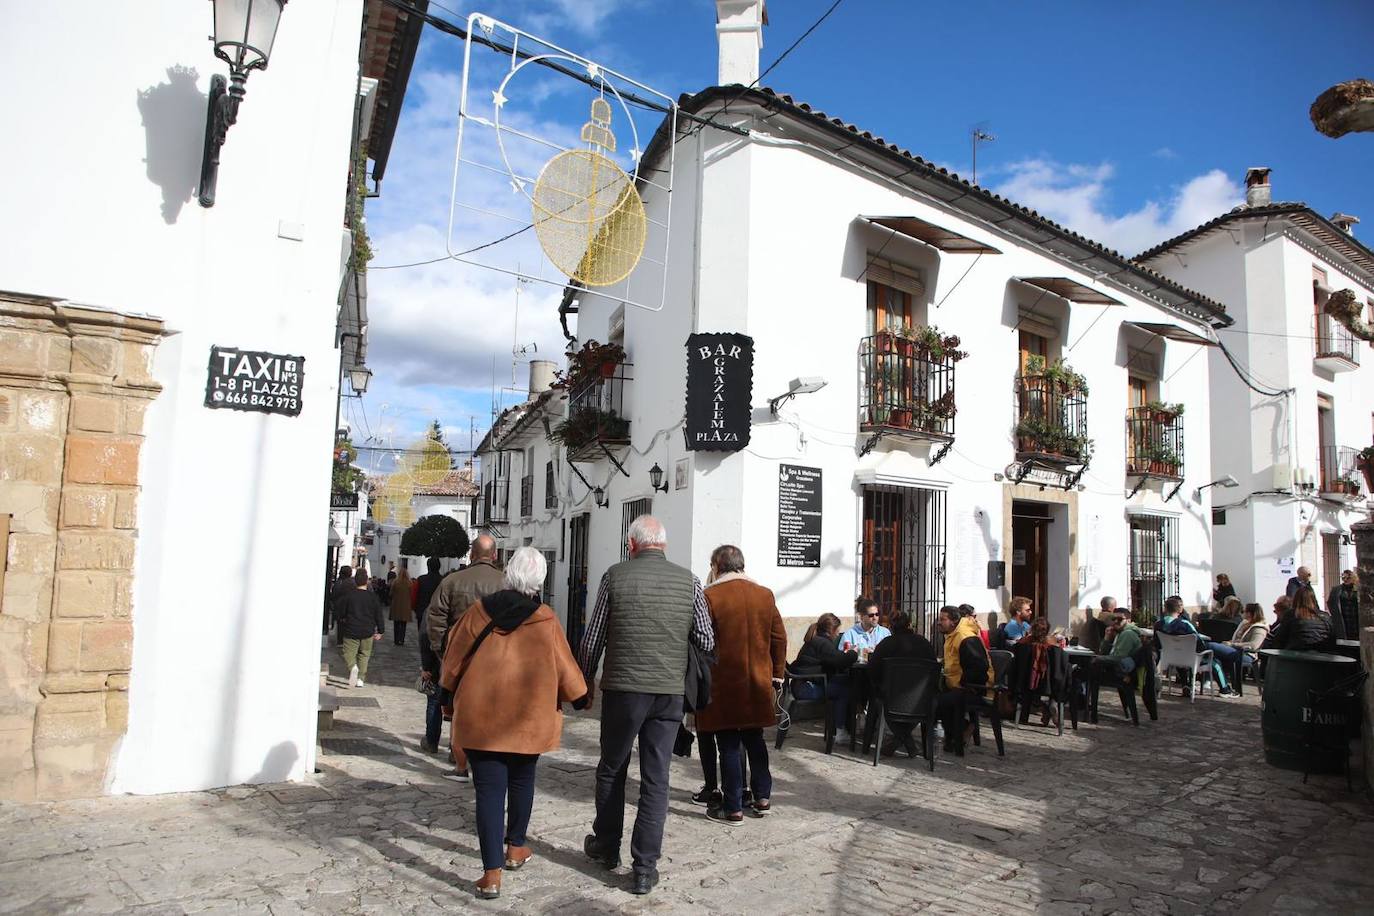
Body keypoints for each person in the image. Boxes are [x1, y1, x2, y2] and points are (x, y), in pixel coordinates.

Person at [577, 516, 715, 896]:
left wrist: (585, 680)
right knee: (657, 777)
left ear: (631, 545)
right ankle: (644, 867)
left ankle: (606, 846)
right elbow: (705, 637)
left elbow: (593, 638)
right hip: (668, 692)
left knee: (612, 768)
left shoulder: (614, 577)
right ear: (664, 546)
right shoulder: (690, 582)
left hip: (623, 689)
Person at [439, 547, 586, 900]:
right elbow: (565, 664)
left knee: (488, 794)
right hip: (528, 718)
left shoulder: (478, 612)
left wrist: (446, 695)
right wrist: (580, 695)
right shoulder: (546, 618)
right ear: (540, 580)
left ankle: (491, 875)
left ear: (509, 573)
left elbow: (454, 656)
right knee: (522, 782)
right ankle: (516, 847)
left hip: (481, 718)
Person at [694, 545, 786, 825]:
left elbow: (702, 638)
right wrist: (777, 674)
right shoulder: (764, 595)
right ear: (741, 566)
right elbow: (779, 637)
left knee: (728, 743)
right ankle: (762, 796)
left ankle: (733, 806)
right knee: (755, 739)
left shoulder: (710, 596)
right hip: (757, 680)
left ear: (716, 566)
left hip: (723, 681)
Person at [427, 536, 505, 779]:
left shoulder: (452, 581)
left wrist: (443, 652)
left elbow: (435, 618)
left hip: (459, 658)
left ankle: (459, 759)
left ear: (471, 555)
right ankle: (486, 757)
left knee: (459, 709)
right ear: (494, 555)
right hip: (496, 659)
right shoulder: (506, 583)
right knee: (492, 710)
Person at [865, 609, 936, 756]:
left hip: (891, 698)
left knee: (877, 699)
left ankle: (899, 739)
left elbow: (872, 671)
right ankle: (904, 740)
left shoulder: (886, 644)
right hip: (921, 699)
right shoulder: (924, 644)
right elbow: (934, 670)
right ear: (910, 624)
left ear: (890, 626)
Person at [789, 612, 859, 744]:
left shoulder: (816, 641)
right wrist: (853, 653)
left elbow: (833, 659)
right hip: (807, 689)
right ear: (831, 630)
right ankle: (840, 731)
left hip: (800, 685)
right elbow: (841, 661)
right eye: (837, 630)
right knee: (845, 690)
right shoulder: (823, 643)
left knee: (844, 683)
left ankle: (840, 728)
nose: (838, 634)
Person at [934, 606, 988, 754]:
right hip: (954, 685)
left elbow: (978, 667)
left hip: (972, 688)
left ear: (954, 621)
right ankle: (956, 733)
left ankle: (957, 735)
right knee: (932, 698)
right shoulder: (952, 635)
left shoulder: (966, 638)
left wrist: (963, 684)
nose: (939, 622)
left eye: (943, 619)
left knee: (940, 702)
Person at [1160, 597, 1240, 697]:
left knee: (1181, 653)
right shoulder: (1185, 624)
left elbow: (1157, 643)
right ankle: (1225, 690)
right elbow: (1199, 644)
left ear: (1165, 609)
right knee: (1215, 662)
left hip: (1171, 658)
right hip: (1192, 659)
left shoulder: (1158, 625)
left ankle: (1186, 685)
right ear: (1180, 609)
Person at [414, 557, 447, 754]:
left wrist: (426, 667)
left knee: (434, 700)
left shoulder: (432, 606)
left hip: (437, 661)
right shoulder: (460, 608)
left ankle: (432, 741)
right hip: (456, 663)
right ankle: (456, 749)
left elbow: (425, 636)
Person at [336, 568, 384, 688]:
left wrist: (342, 619)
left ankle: (353, 666)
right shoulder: (373, 597)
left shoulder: (349, 596)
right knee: (364, 655)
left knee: (348, 653)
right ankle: (361, 679)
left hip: (351, 629)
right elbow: (379, 614)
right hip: (368, 631)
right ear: (366, 581)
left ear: (355, 581)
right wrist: (380, 631)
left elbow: (341, 612)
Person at [1263, 589, 1335, 652]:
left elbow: (1279, 639)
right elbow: (1332, 639)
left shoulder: (1292, 614)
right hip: (1321, 657)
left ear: (1295, 599)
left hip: (1296, 656)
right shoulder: (1325, 616)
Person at [1226, 602, 1270, 687]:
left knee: (1214, 650)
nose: (1242, 613)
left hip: (1248, 654)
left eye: (1244, 611)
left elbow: (1254, 645)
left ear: (1249, 613)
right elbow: (1238, 639)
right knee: (1214, 651)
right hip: (1236, 650)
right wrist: (1229, 642)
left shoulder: (1260, 628)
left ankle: (1224, 686)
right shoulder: (1245, 624)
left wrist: (1233, 645)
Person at [1327, 569, 1359, 641]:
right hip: (1343, 619)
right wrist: (1335, 614)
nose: (1345, 580)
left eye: (1348, 578)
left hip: (1356, 619)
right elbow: (1330, 602)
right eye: (1343, 578)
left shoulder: (1358, 588)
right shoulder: (1337, 589)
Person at [390, 562, 414, 646]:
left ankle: (396, 640)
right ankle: (402, 640)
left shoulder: (395, 582)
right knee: (403, 625)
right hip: (405, 606)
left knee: (396, 624)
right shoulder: (410, 583)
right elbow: (411, 594)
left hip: (396, 605)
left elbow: (391, 593)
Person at [327, 565, 353, 637]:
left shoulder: (339, 583)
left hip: (339, 608)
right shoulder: (353, 582)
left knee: (340, 626)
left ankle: (340, 640)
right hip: (350, 609)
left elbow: (333, 596)